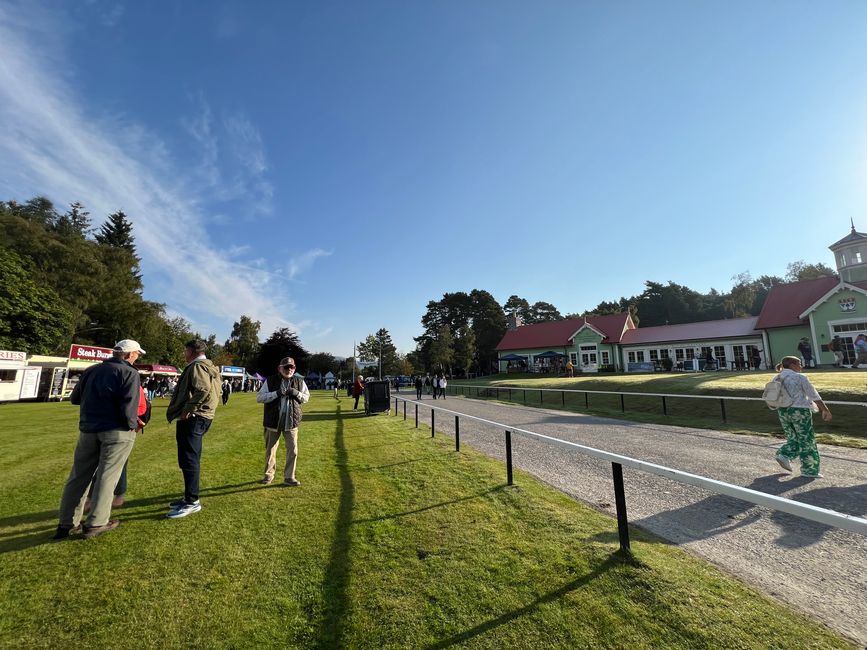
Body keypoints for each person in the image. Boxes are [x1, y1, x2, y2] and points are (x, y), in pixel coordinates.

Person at [53, 339, 144, 540]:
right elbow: (129, 406)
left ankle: (66, 523)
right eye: (137, 354)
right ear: (129, 355)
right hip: (116, 431)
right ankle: (96, 522)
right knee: (107, 476)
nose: (137, 358)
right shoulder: (129, 373)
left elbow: (74, 398)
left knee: (78, 476)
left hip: (88, 429)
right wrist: (133, 425)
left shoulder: (91, 370)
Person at [165, 339, 221, 519]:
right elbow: (214, 392)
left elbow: (202, 389)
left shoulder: (198, 366)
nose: (184, 354)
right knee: (189, 458)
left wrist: (188, 409)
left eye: (185, 350)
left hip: (194, 418)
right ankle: (189, 497)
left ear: (192, 351)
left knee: (189, 459)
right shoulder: (209, 366)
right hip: (202, 417)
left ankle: (192, 501)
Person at [771, 355, 831, 478]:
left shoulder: (777, 377)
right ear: (792, 365)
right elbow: (813, 395)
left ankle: (784, 454)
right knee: (807, 439)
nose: (801, 366)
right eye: (799, 364)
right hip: (800, 411)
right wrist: (825, 409)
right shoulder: (800, 377)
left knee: (792, 436)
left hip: (782, 411)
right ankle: (810, 470)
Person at [256, 357, 310, 486]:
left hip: (291, 422)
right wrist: (276, 393)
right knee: (270, 450)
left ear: (294, 369)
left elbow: (307, 398)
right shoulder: (270, 380)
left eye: (291, 367)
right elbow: (259, 397)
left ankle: (289, 477)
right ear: (279, 368)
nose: (289, 369)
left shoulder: (299, 381)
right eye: (286, 367)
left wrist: (296, 393)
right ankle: (268, 475)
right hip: (272, 421)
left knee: (293, 450)